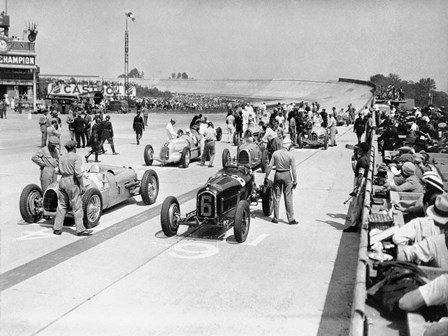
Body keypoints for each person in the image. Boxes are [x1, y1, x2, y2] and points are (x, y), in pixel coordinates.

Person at [53, 140, 92, 236]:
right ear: (74, 148)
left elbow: (58, 170)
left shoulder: (61, 157)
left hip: (62, 181)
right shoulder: (76, 157)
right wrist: (82, 185)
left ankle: (57, 228)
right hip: (72, 182)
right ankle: (80, 230)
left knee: (62, 205)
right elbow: (78, 173)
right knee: (77, 207)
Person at [264, 143, 298, 224]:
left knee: (276, 197)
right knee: (288, 198)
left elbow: (269, 166)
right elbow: (293, 170)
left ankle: (276, 218)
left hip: (278, 174)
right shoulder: (290, 155)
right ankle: (291, 219)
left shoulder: (275, 153)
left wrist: (266, 176)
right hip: (287, 175)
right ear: (288, 146)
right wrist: (295, 181)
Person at [344, 142, 371, 232]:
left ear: (362, 150)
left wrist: (356, 188)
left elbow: (360, 175)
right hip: (360, 182)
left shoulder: (362, 161)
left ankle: (353, 225)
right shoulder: (365, 158)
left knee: (356, 204)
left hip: (360, 183)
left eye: (359, 148)